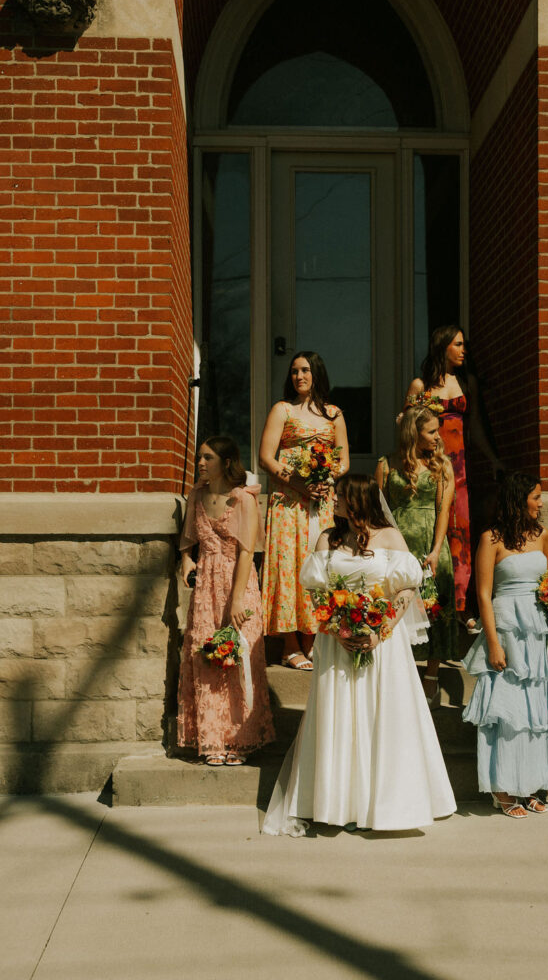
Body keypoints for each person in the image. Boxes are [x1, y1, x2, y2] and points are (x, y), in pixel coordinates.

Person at [262, 474, 456, 835]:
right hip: (337, 643)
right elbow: (316, 592)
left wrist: (381, 630)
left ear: (357, 500)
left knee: (381, 715)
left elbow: (407, 588)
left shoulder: (390, 537)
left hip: (383, 643)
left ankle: (383, 804)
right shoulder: (328, 537)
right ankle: (340, 804)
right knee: (340, 716)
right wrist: (337, 628)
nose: (333, 500)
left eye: (339, 495)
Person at [461, 471, 548, 817]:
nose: (542, 503)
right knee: (508, 710)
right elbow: (483, 595)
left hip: (540, 631)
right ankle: (502, 789)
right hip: (507, 629)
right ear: (519, 500)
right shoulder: (491, 539)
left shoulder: (543, 535)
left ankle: (531, 784)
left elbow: (546, 584)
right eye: (536, 497)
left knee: (539, 708)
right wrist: (493, 643)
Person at [178, 435, 275, 766]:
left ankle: (239, 739)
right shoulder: (197, 495)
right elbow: (189, 537)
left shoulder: (243, 499)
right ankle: (213, 739)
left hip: (239, 584)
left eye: (208, 458)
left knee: (239, 659)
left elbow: (247, 552)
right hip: (206, 586)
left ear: (227, 462)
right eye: (200, 457)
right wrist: (187, 560)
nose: (201, 463)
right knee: (206, 657)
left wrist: (236, 601)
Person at [404, 325, 502, 630]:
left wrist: (493, 459)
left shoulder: (466, 382)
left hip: (459, 467)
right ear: (442, 346)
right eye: (458, 344)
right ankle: (429, 605)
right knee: (431, 530)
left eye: (463, 345)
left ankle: (461, 606)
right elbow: (406, 430)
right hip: (430, 464)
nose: (463, 350)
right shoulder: (421, 385)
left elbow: (476, 428)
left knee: (461, 534)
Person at [259, 351, 350, 670]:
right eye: (295, 371)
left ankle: (312, 640)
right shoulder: (282, 410)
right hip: (288, 501)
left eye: (306, 370)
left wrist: (327, 478)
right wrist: (298, 483)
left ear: (317, 374)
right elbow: (266, 457)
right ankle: (289, 645)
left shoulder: (334, 414)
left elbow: (343, 460)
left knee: (319, 565)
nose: (299, 376)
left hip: (322, 501)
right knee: (289, 565)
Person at [375, 406, 458, 706]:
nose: (438, 437)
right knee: (398, 608)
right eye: (431, 431)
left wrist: (436, 550)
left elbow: (443, 511)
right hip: (396, 544)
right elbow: (377, 508)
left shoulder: (442, 465)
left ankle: (431, 676)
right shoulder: (386, 465)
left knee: (434, 608)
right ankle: (401, 676)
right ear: (414, 433)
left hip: (429, 546)